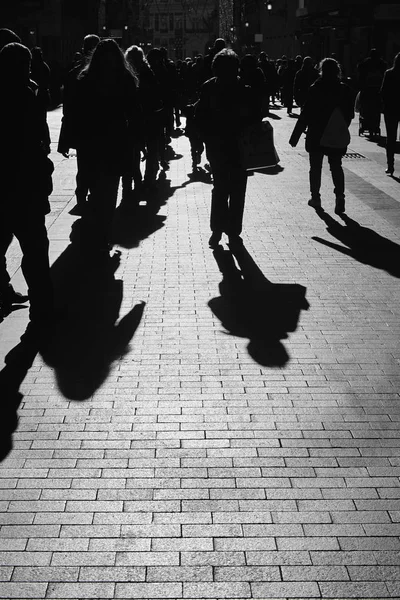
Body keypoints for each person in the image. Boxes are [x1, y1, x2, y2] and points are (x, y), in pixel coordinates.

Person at [0, 42, 54, 327]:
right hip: (25, 187)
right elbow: (35, 145)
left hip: (6, 186)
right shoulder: (26, 97)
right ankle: (42, 306)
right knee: (35, 248)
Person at [195, 49, 258, 247]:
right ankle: (233, 231)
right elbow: (254, 118)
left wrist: (203, 140)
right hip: (240, 147)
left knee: (220, 188)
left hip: (217, 146)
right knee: (238, 189)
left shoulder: (208, 88)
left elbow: (200, 118)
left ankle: (217, 230)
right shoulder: (245, 89)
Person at [289, 58, 354, 215]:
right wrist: (341, 126)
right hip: (335, 134)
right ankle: (339, 197)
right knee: (336, 166)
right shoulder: (344, 89)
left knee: (315, 167)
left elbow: (306, 114)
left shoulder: (316, 88)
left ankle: (316, 197)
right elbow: (350, 114)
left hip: (316, 134)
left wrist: (295, 136)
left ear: (322, 70)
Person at [58, 34, 100, 215]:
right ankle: (95, 195)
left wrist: (65, 138)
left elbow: (68, 109)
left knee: (83, 165)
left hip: (82, 128)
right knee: (98, 164)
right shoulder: (105, 74)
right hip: (100, 128)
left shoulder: (73, 74)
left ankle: (82, 195)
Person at [380, 52, 400, 176]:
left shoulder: (389, 73)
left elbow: (383, 92)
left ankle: (390, 166)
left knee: (391, 138)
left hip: (391, 109)